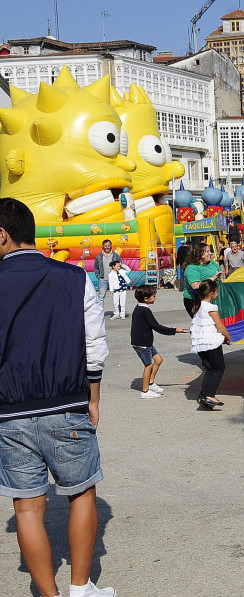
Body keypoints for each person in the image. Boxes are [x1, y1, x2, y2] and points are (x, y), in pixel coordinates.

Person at [0, 197, 116, 597]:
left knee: (27, 508)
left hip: (9, 411)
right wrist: (94, 396)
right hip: (65, 402)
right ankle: (81, 589)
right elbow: (94, 344)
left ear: (2, 234)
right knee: (81, 492)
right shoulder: (73, 277)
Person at [131, 285, 186, 400]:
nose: (155, 298)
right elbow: (157, 327)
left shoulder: (140, 307)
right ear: (146, 298)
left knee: (158, 360)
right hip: (142, 343)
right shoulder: (144, 310)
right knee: (148, 365)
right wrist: (174, 330)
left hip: (145, 342)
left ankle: (151, 383)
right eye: (154, 296)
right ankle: (145, 391)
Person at [190, 279, 231, 410]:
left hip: (200, 343)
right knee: (219, 368)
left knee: (209, 369)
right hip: (211, 342)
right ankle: (209, 395)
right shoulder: (211, 307)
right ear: (212, 293)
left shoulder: (197, 306)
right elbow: (220, 327)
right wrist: (228, 337)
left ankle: (203, 396)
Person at [182, 242, 223, 315]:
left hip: (210, 297)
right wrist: (212, 278)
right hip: (195, 300)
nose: (210, 253)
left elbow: (220, 273)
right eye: (207, 251)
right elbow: (196, 286)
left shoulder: (211, 262)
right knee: (204, 322)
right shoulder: (192, 268)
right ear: (200, 254)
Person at [93, 238, 122, 314]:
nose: (107, 247)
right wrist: (99, 276)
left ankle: (118, 311)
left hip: (114, 279)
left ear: (111, 246)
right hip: (103, 279)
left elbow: (120, 265)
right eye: (106, 246)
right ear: (103, 246)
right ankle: (100, 312)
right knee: (101, 297)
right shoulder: (99, 256)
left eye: (109, 245)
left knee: (117, 296)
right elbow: (96, 267)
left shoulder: (116, 256)